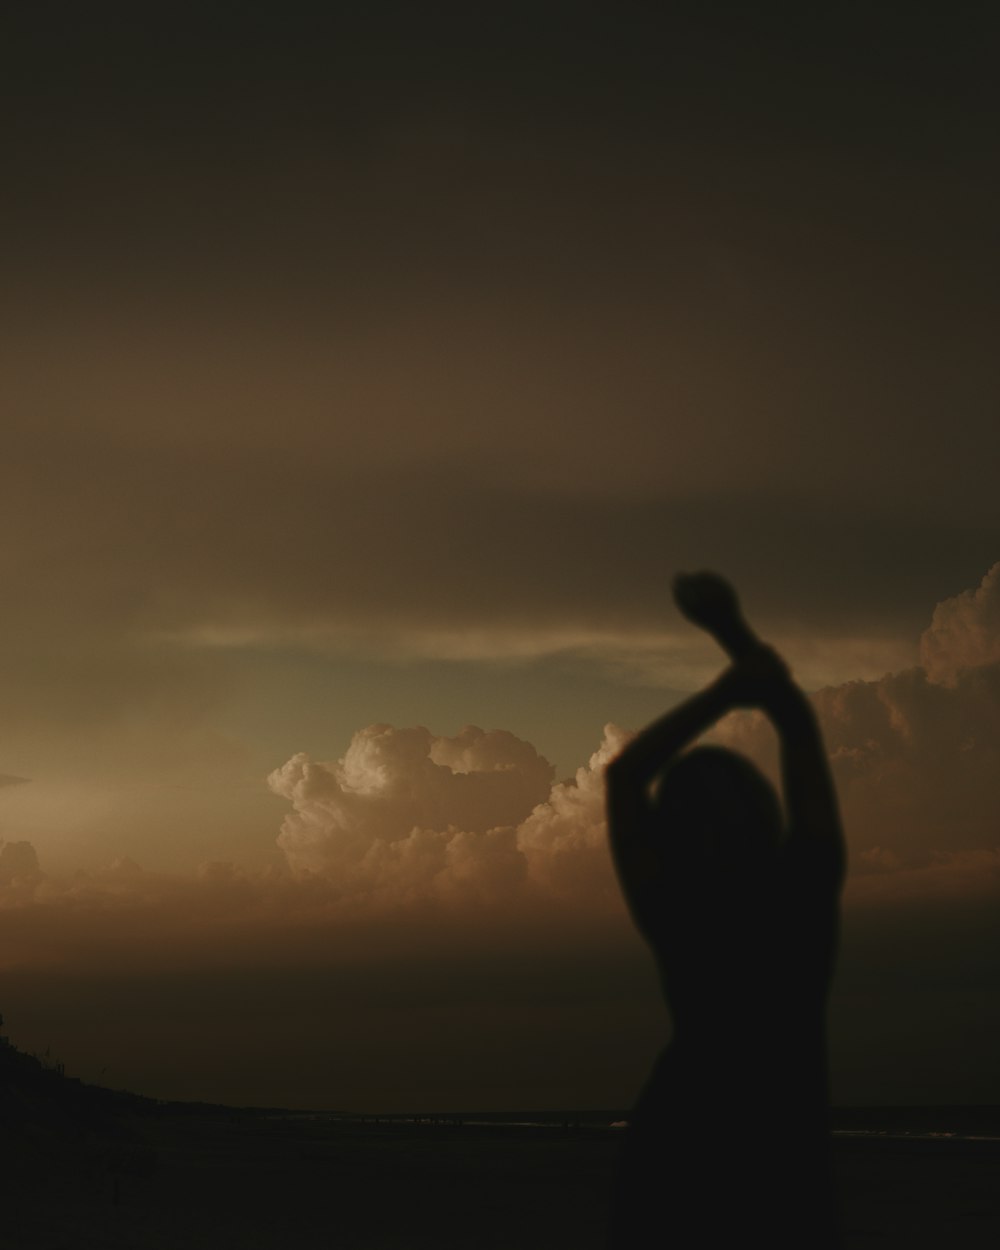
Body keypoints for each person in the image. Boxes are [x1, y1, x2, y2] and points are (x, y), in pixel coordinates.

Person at [605, 572, 845, 1247]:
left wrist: (727, 675)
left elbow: (623, 777)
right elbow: (796, 724)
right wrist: (731, 639)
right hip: (770, 1154)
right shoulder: (802, 893)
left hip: (687, 1144)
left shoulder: (679, 911)